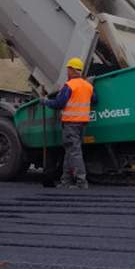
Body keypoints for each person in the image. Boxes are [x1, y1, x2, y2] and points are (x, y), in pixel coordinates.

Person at [43, 57, 97, 188]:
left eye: (68, 69)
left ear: (72, 70)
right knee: (70, 151)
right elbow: (95, 100)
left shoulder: (69, 86)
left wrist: (45, 102)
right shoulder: (88, 86)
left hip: (70, 124)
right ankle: (66, 181)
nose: (67, 72)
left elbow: (59, 104)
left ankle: (81, 182)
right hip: (82, 124)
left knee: (74, 152)